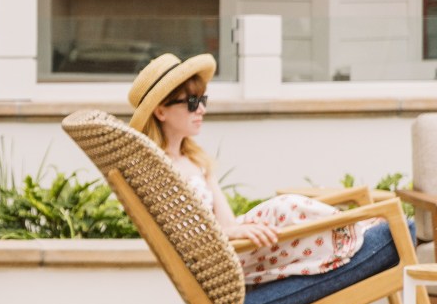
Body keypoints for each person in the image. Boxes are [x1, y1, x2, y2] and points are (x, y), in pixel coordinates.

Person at [129, 53, 382, 285]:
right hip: (219, 260)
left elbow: (227, 222)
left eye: (202, 100)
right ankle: (357, 228)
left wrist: (234, 230)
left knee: (284, 209)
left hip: (232, 244)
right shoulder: (158, 172)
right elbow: (186, 239)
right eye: (193, 102)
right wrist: (230, 233)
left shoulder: (196, 161)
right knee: (285, 208)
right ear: (161, 111)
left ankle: (353, 231)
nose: (202, 109)